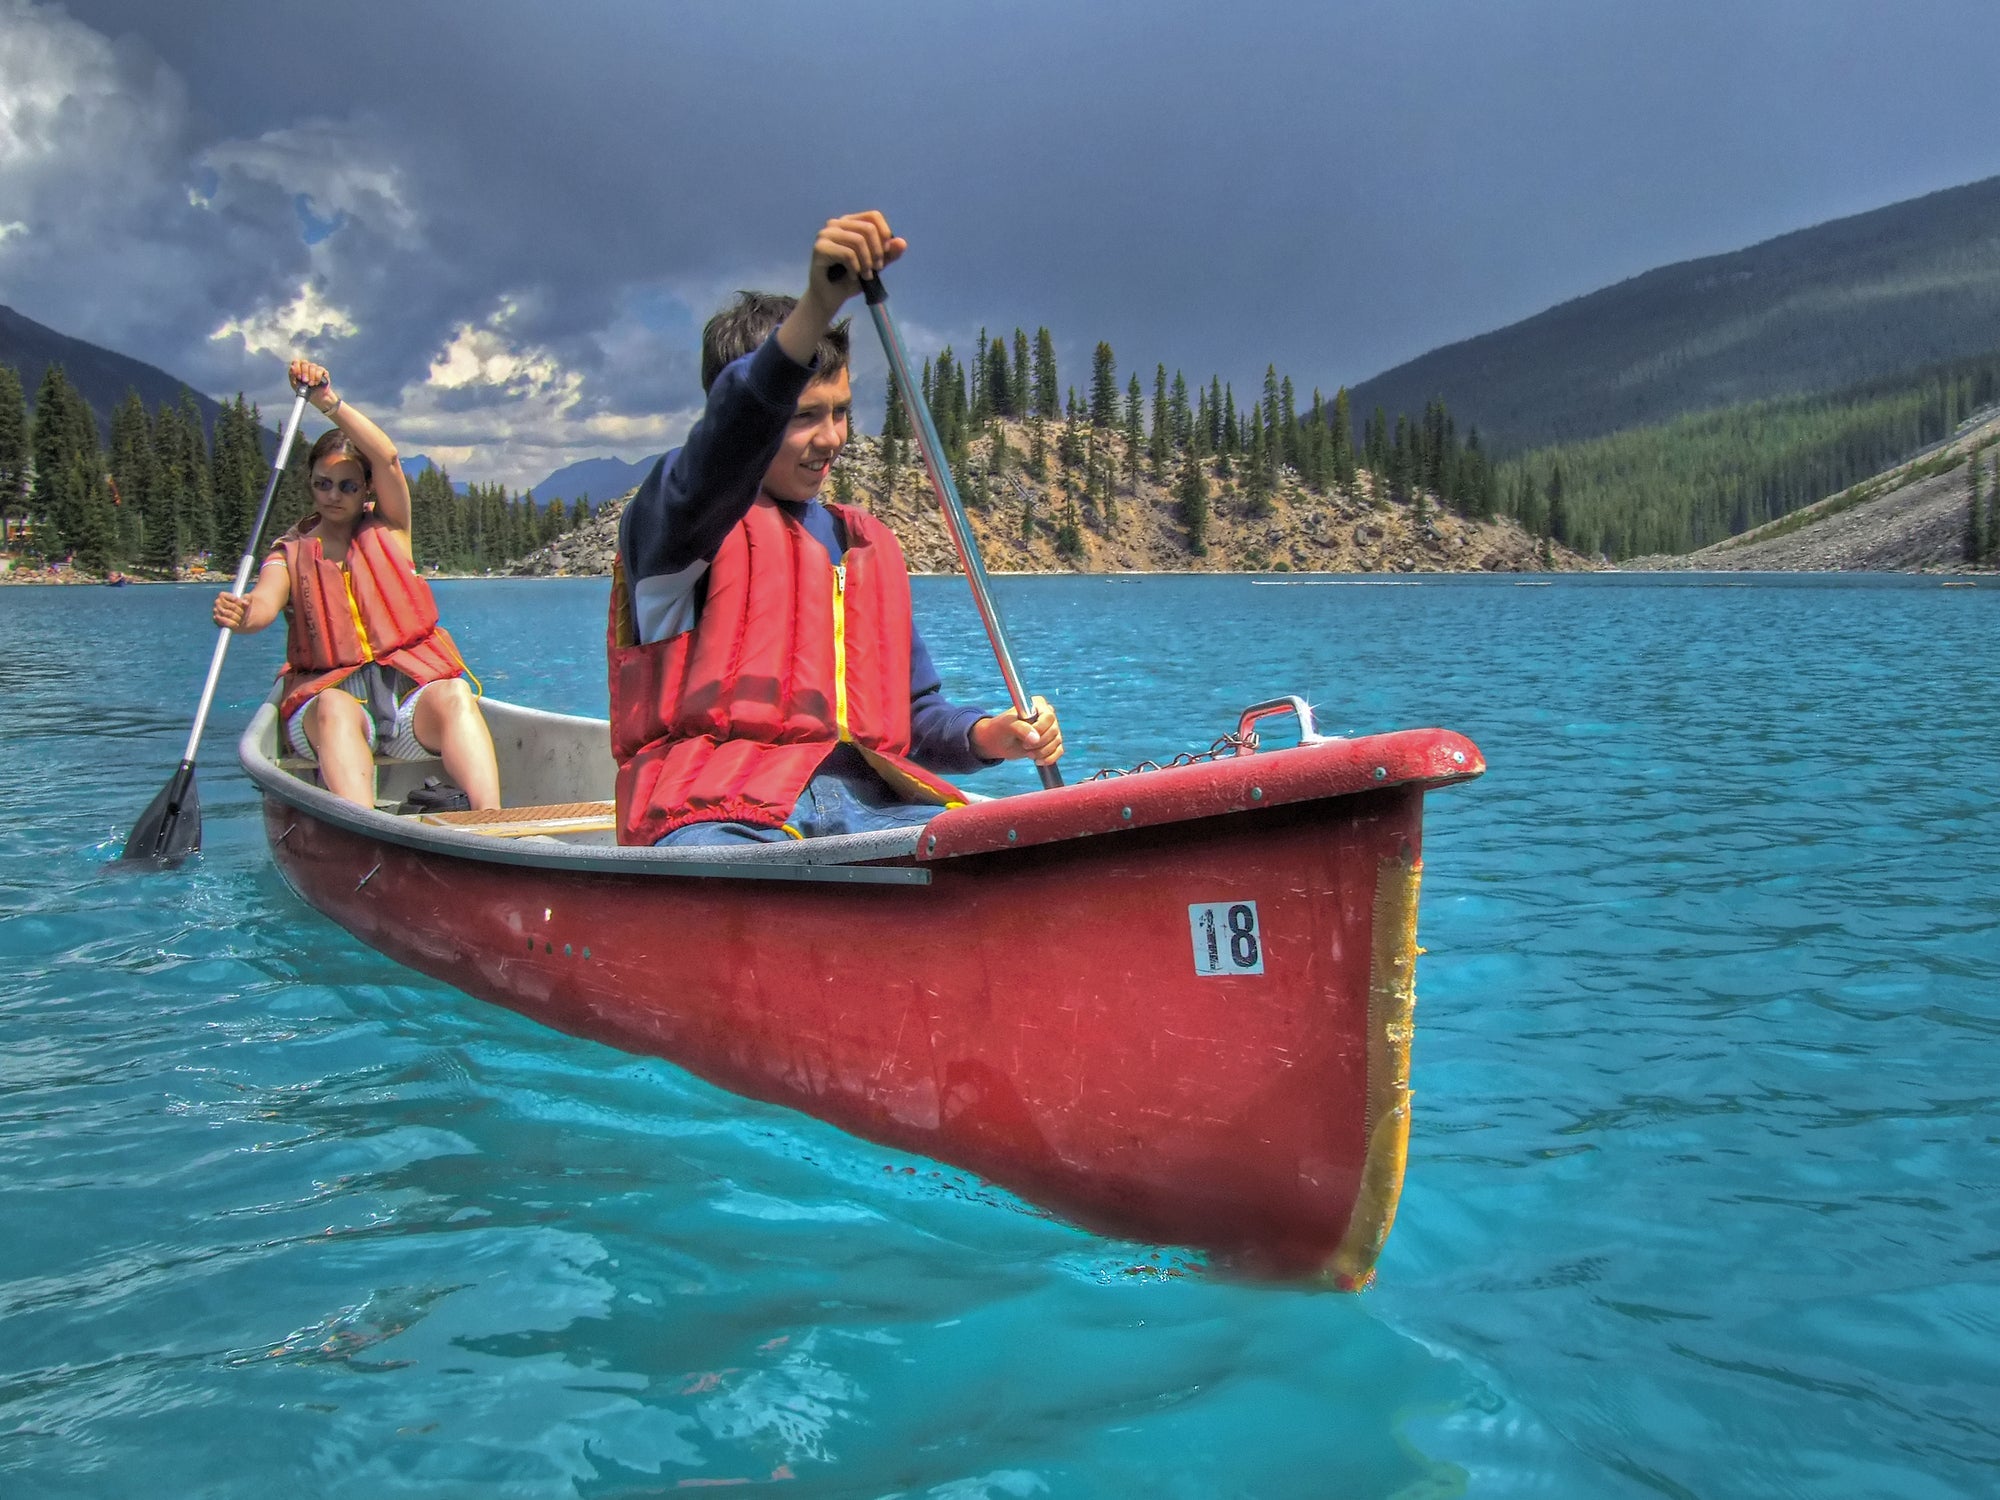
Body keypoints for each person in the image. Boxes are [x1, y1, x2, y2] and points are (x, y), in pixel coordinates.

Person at [610, 209, 1062, 847]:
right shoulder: (677, 525)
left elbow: (911, 715)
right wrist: (818, 306)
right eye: (803, 417)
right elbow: (729, 437)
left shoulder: (860, 545)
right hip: (722, 818)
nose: (831, 440)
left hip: (871, 812)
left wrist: (987, 735)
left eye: (842, 412)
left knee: (1008, 849)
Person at [213, 359, 502, 812]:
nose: (333, 494)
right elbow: (263, 607)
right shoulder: (290, 553)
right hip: (328, 710)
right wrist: (244, 614)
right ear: (310, 486)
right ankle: (365, 829)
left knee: (454, 693)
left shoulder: (391, 530)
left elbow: (386, 457)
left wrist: (326, 401)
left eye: (347, 485)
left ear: (366, 489)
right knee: (335, 710)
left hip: (405, 706)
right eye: (322, 484)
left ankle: (491, 826)